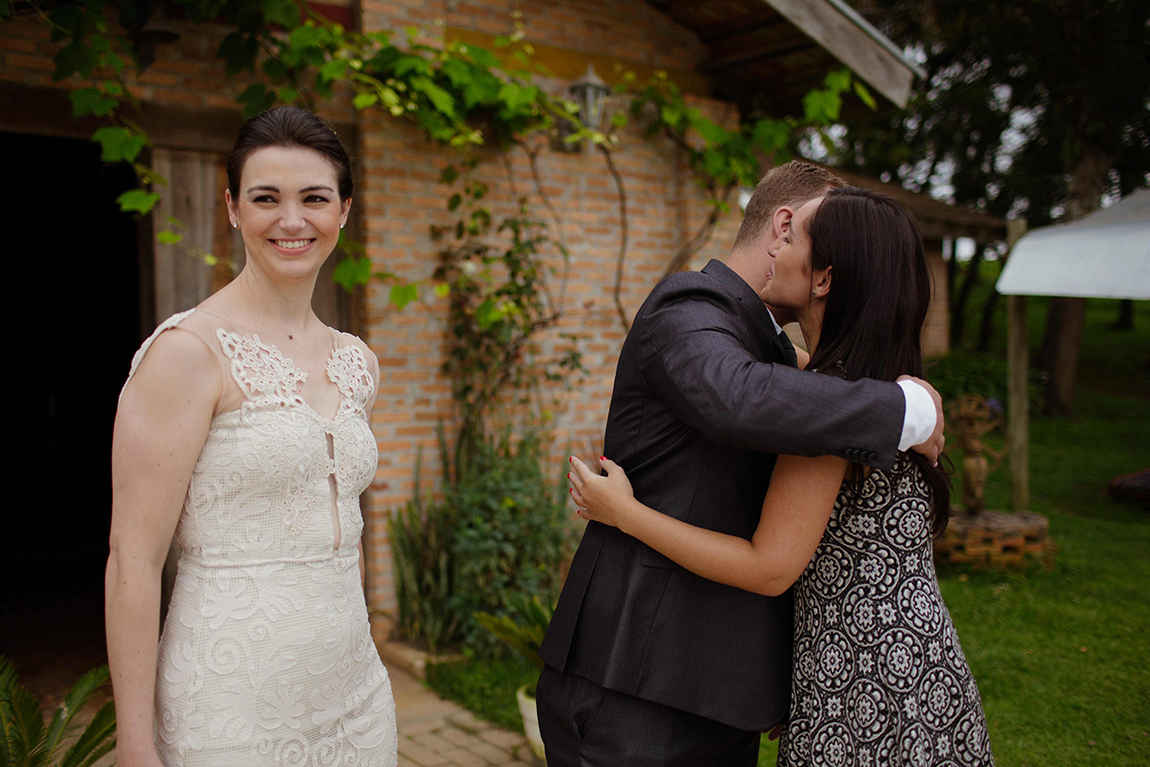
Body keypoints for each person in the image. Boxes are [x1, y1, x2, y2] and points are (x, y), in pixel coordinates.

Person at [536, 161, 946, 766]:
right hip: (636, 684)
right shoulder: (690, 305)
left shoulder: (796, 364)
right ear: (784, 227)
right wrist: (905, 409)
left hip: (726, 693)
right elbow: (736, 397)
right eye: (827, 238)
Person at [107, 106, 397, 767]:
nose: (291, 220)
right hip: (230, 700)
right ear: (233, 207)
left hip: (356, 696)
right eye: (266, 198)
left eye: (314, 198)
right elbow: (133, 559)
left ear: (344, 210)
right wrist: (134, 743)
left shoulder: (358, 362)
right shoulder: (187, 353)